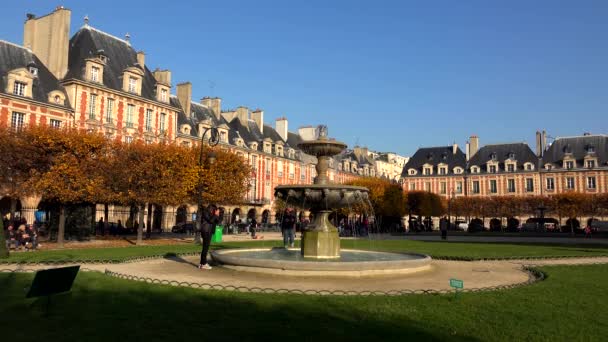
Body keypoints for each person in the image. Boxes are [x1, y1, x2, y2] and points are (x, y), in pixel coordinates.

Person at [199, 204, 220, 270]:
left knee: (205, 247)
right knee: (205, 248)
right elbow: (210, 221)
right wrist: (215, 215)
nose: (215, 211)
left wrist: (217, 215)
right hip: (206, 231)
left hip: (209, 231)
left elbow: (218, 222)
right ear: (212, 209)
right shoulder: (205, 212)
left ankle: (202, 263)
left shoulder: (211, 214)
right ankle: (203, 264)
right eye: (214, 210)